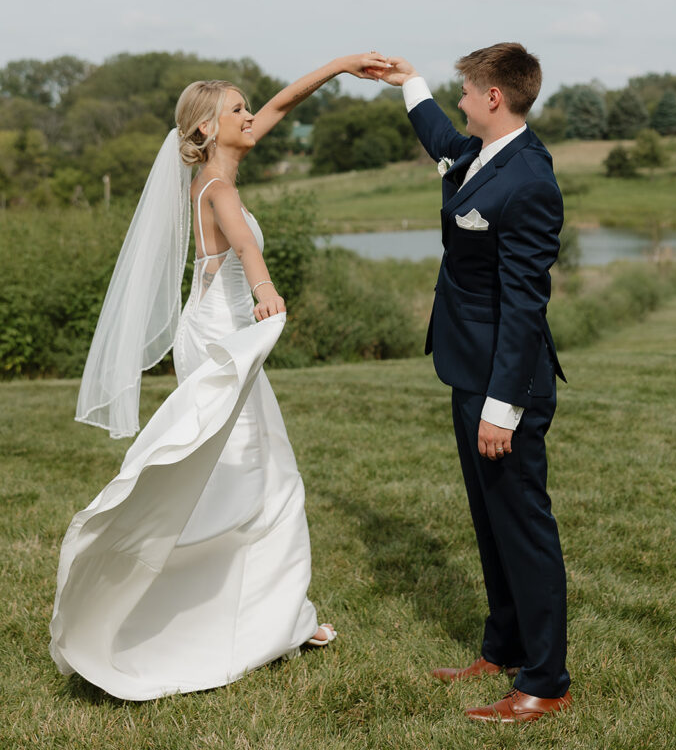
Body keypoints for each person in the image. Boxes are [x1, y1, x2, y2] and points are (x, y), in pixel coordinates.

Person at [49, 52, 385, 701]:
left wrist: (340, 68)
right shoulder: (218, 188)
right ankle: (237, 612)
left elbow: (282, 105)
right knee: (251, 475)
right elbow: (245, 246)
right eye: (236, 109)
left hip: (223, 334)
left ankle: (279, 613)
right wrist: (265, 289)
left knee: (260, 472)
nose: (249, 115)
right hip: (219, 337)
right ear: (205, 129)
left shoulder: (216, 174)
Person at [368, 44, 572, 724]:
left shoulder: (529, 182)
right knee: (490, 525)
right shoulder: (478, 156)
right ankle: (503, 647)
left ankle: (544, 682)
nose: (458, 102)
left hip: (502, 385)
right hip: (465, 372)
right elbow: (438, 137)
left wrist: (503, 407)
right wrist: (409, 83)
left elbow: (522, 306)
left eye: (464, 91)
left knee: (522, 529)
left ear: (493, 97)